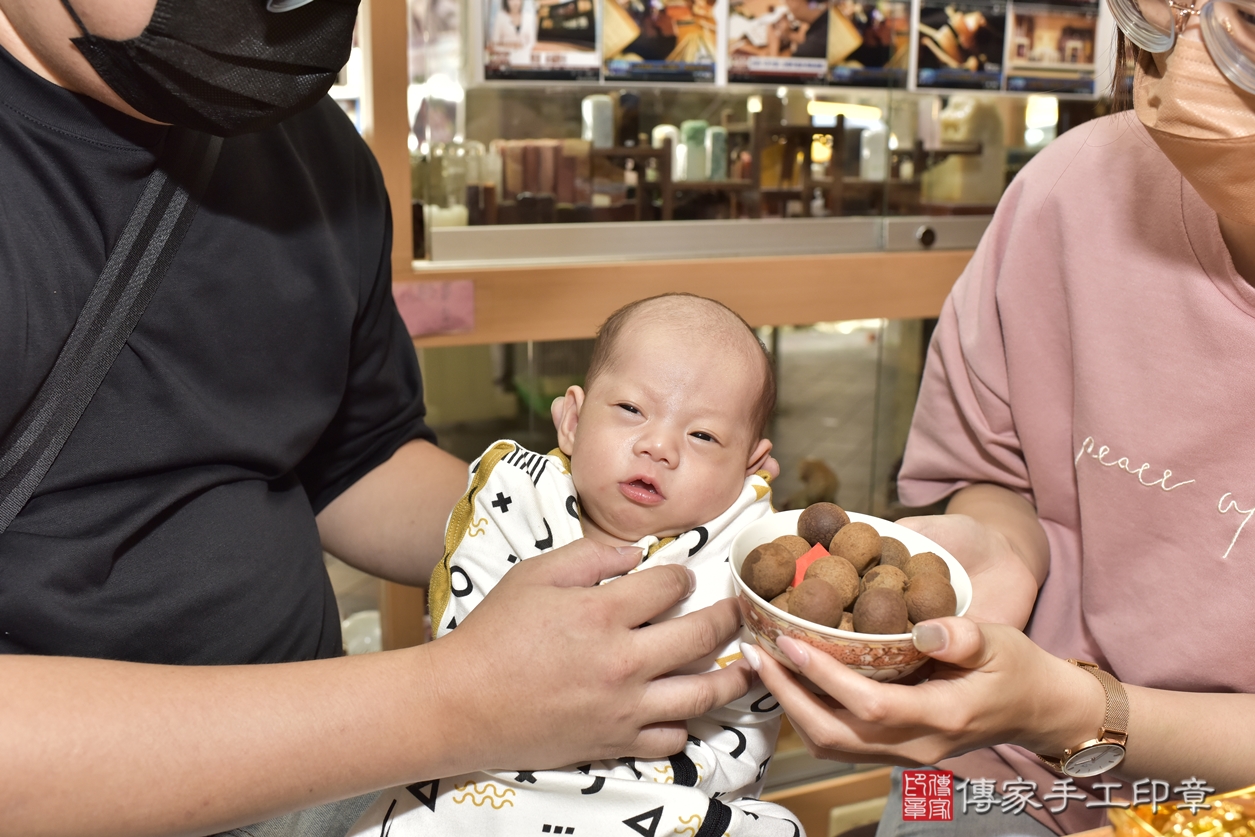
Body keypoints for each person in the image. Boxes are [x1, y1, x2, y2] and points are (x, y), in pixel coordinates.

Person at [0, 3, 758, 835]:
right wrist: (456, 700)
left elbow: (354, 459)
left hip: (326, 779)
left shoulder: (311, 149)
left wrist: (645, 527)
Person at [746, 3, 1255, 835]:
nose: (1185, 49)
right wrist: (994, 553)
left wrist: (1073, 710)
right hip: (998, 768)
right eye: (1162, 7)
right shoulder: (1073, 190)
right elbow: (995, 471)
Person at [349, 294, 801, 837]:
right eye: (632, 409)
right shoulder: (519, 506)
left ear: (752, 465)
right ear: (571, 421)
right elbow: (469, 643)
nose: (659, 446)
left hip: (663, 795)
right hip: (487, 776)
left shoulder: (746, 550)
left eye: (702, 435)